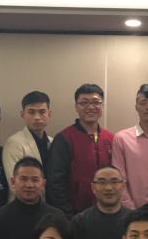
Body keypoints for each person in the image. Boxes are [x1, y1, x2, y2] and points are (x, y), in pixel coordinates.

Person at [48, 83, 115, 216]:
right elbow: (55, 183)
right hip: (75, 213)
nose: (90, 107)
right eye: (84, 103)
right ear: (76, 107)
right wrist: (67, 215)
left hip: (108, 210)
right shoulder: (64, 138)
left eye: (95, 102)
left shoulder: (111, 138)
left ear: (102, 106)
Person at [70, 165, 130, 239]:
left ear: (123, 186)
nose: (108, 188)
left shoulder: (134, 221)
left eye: (114, 182)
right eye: (102, 182)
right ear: (93, 188)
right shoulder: (79, 222)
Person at [2, 90, 52, 201]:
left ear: (49, 114)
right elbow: (14, 185)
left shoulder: (53, 142)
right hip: (23, 204)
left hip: (51, 205)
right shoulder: (14, 143)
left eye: (42, 112)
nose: (37, 117)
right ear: (22, 115)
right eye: (31, 112)